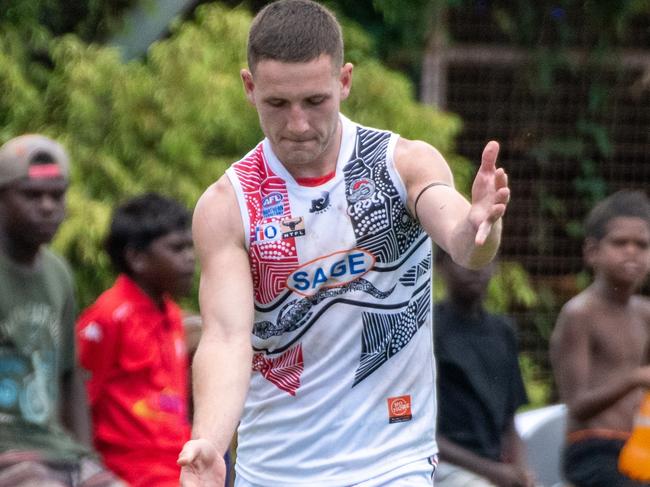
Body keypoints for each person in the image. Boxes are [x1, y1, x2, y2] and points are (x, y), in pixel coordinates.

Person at [178, 1, 510, 485]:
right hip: (273, 468)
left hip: (393, 462)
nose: (298, 125)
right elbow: (227, 338)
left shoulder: (402, 164)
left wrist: (481, 225)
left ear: (345, 81)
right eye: (277, 104)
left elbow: (464, 243)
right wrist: (208, 442)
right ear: (250, 88)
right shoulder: (228, 204)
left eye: (315, 101)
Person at [0, 134, 124, 486]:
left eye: (57, 195)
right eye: (31, 195)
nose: (47, 207)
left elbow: (69, 375)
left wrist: (87, 459)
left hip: (54, 448)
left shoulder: (58, 273)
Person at [75, 193, 196, 487]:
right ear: (137, 258)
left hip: (177, 470)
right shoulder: (107, 317)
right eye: (177, 248)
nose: (190, 257)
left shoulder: (172, 315)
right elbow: (76, 400)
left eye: (189, 246)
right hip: (127, 475)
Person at [549, 190, 650, 487]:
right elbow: (576, 404)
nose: (631, 251)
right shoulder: (580, 314)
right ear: (592, 251)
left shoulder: (645, 312)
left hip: (638, 446)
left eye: (642, 245)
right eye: (620, 243)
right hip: (593, 451)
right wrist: (634, 379)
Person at [433, 249, 535, 487]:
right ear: (440, 266)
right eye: (463, 258)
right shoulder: (429, 331)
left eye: (483, 259)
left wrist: (520, 472)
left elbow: (510, 421)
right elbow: (420, 431)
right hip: (445, 465)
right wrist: (494, 472)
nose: (474, 268)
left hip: (495, 467)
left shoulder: (503, 331)